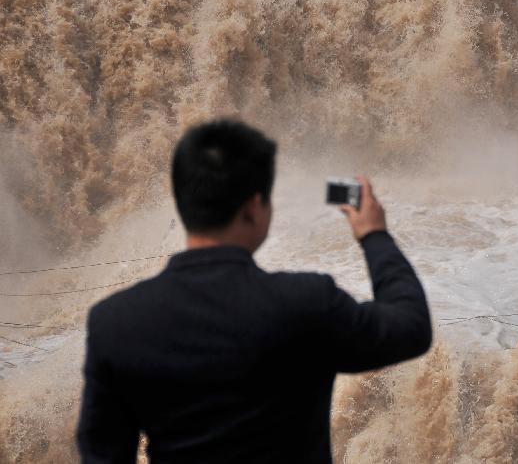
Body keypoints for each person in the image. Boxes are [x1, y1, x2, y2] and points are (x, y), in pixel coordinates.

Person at [76, 119, 432, 463]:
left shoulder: (115, 323)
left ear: (183, 200)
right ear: (253, 207)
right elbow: (411, 326)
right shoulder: (306, 303)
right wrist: (374, 235)